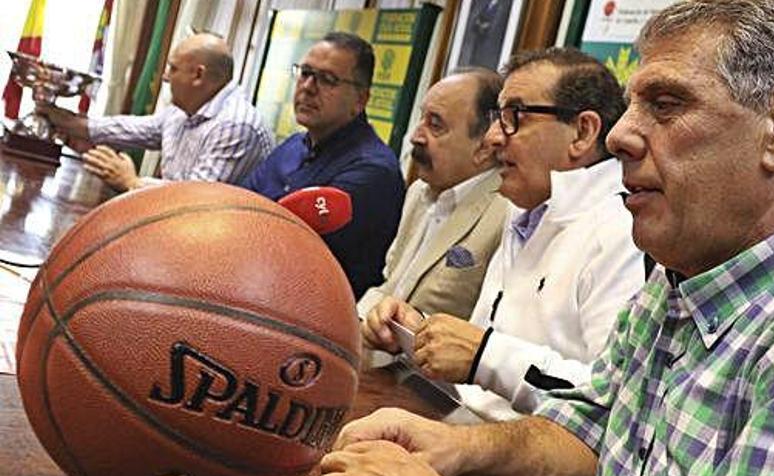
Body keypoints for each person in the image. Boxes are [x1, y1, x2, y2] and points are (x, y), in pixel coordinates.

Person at [315, 1, 774, 476]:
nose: (619, 135)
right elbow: (597, 434)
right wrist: (458, 448)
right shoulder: (688, 272)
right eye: (633, 104)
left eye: (665, 105)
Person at [362, 48, 644, 420]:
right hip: (462, 422)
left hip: (527, 460)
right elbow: (477, 376)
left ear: (582, 132)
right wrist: (417, 335)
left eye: (514, 117)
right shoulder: (527, 209)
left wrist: (483, 355)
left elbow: (612, 399)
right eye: (498, 117)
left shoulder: (623, 232)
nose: (494, 138)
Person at [239, 32, 404, 300]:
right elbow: (239, 205)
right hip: (258, 288)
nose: (307, 86)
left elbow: (288, 250)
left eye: (328, 79)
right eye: (305, 73)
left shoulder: (373, 171)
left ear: (360, 100)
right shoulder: (293, 145)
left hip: (309, 314)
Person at [356, 67, 507, 321]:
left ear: (484, 146)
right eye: (421, 119)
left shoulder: (506, 213)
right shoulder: (418, 192)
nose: (416, 136)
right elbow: (390, 283)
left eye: (435, 125)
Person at [39, 33, 274, 192]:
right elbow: (133, 128)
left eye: (173, 68)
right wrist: (63, 119)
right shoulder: (184, 109)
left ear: (198, 75)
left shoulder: (236, 125)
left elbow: (195, 201)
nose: (164, 76)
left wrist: (131, 182)